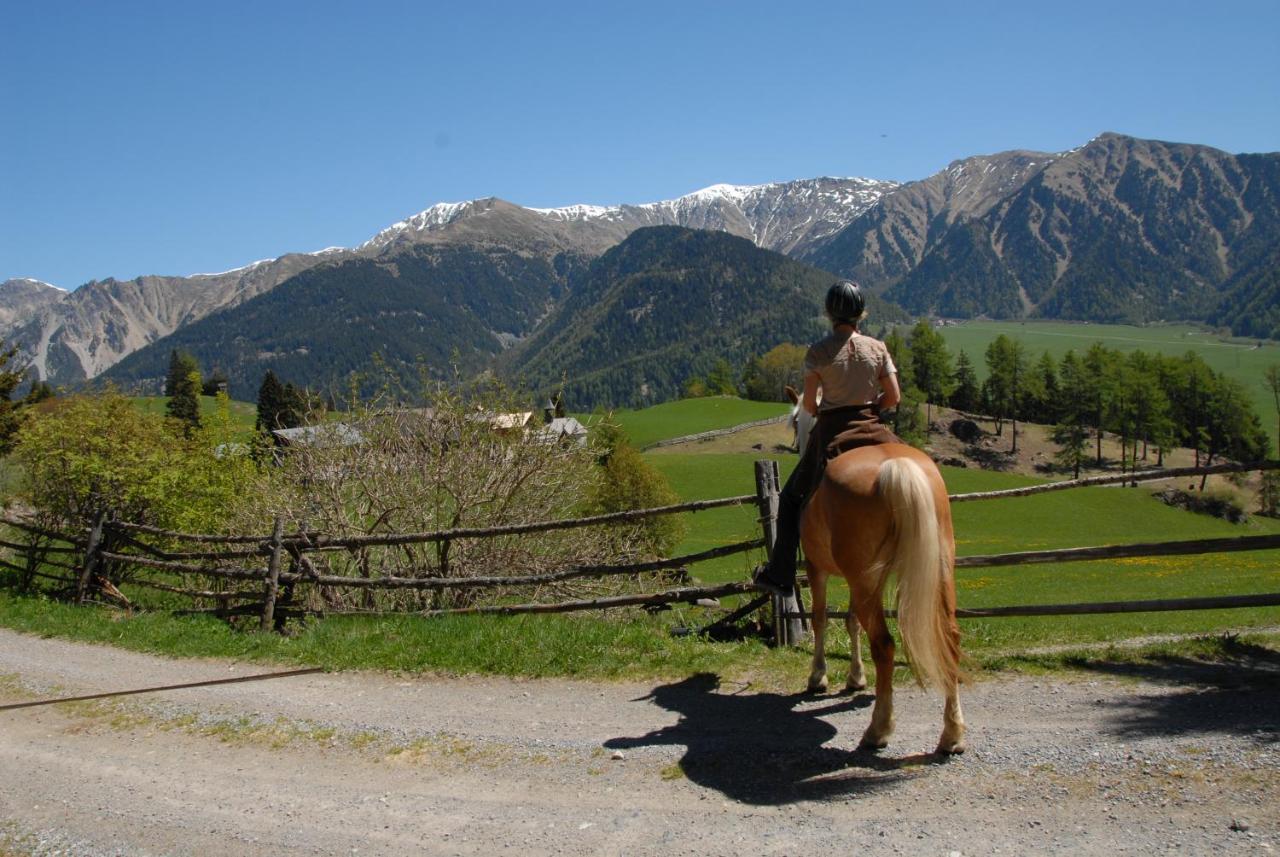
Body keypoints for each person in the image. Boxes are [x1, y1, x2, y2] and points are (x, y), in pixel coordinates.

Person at [752, 279, 902, 596]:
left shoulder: (818, 352)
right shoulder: (878, 348)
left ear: (829, 314)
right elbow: (893, 397)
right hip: (873, 424)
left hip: (833, 429)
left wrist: (823, 407)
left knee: (791, 500)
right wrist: (871, 406)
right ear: (861, 313)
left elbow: (808, 404)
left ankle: (780, 574)